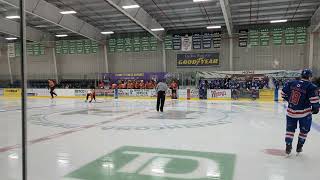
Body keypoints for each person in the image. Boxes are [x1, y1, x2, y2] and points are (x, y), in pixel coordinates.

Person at [281, 69, 319, 155]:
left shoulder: (291, 83)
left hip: (291, 112)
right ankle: (299, 146)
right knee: (304, 131)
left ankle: (288, 145)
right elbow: (314, 101)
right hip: (304, 114)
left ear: (301, 75)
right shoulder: (311, 86)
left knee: (290, 130)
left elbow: (283, 94)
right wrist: (316, 108)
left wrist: (290, 100)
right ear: (310, 77)